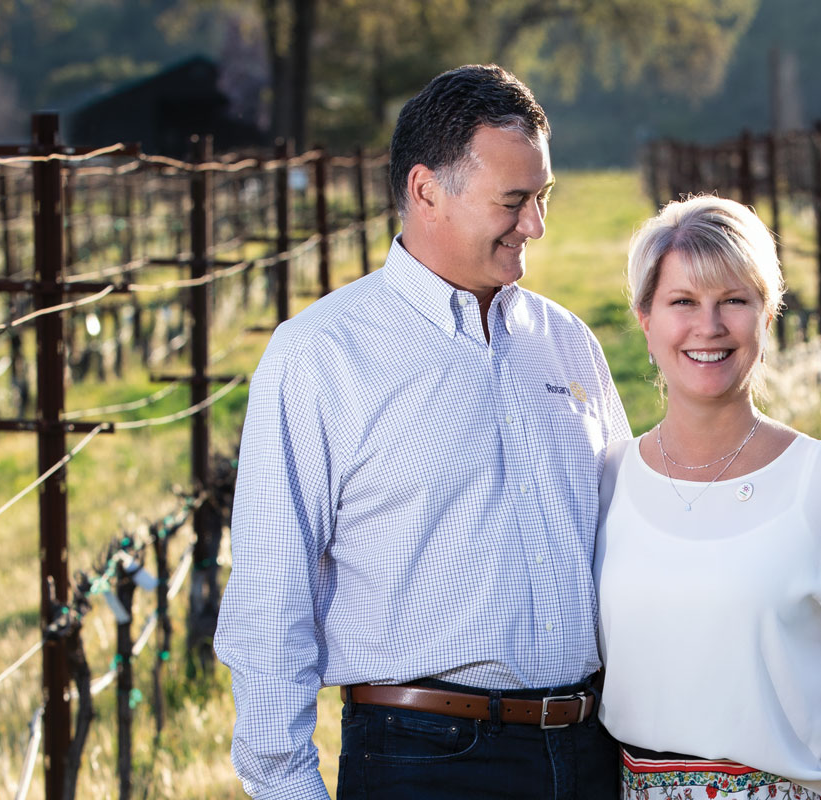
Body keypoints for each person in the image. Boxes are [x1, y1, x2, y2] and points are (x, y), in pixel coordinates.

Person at [216, 64, 631, 799]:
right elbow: (269, 603)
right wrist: (288, 786)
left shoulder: (567, 343)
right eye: (514, 201)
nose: (535, 225)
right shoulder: (320, 355)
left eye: (543, 197)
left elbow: (624, 550)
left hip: (590, 752)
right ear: (426, 190)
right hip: (424, 763)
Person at [594, 196, 821, 800]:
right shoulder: (610, 478)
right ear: (645, 318)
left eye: (734, 301)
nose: (709, 326)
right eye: (683, 302)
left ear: (767, 316)